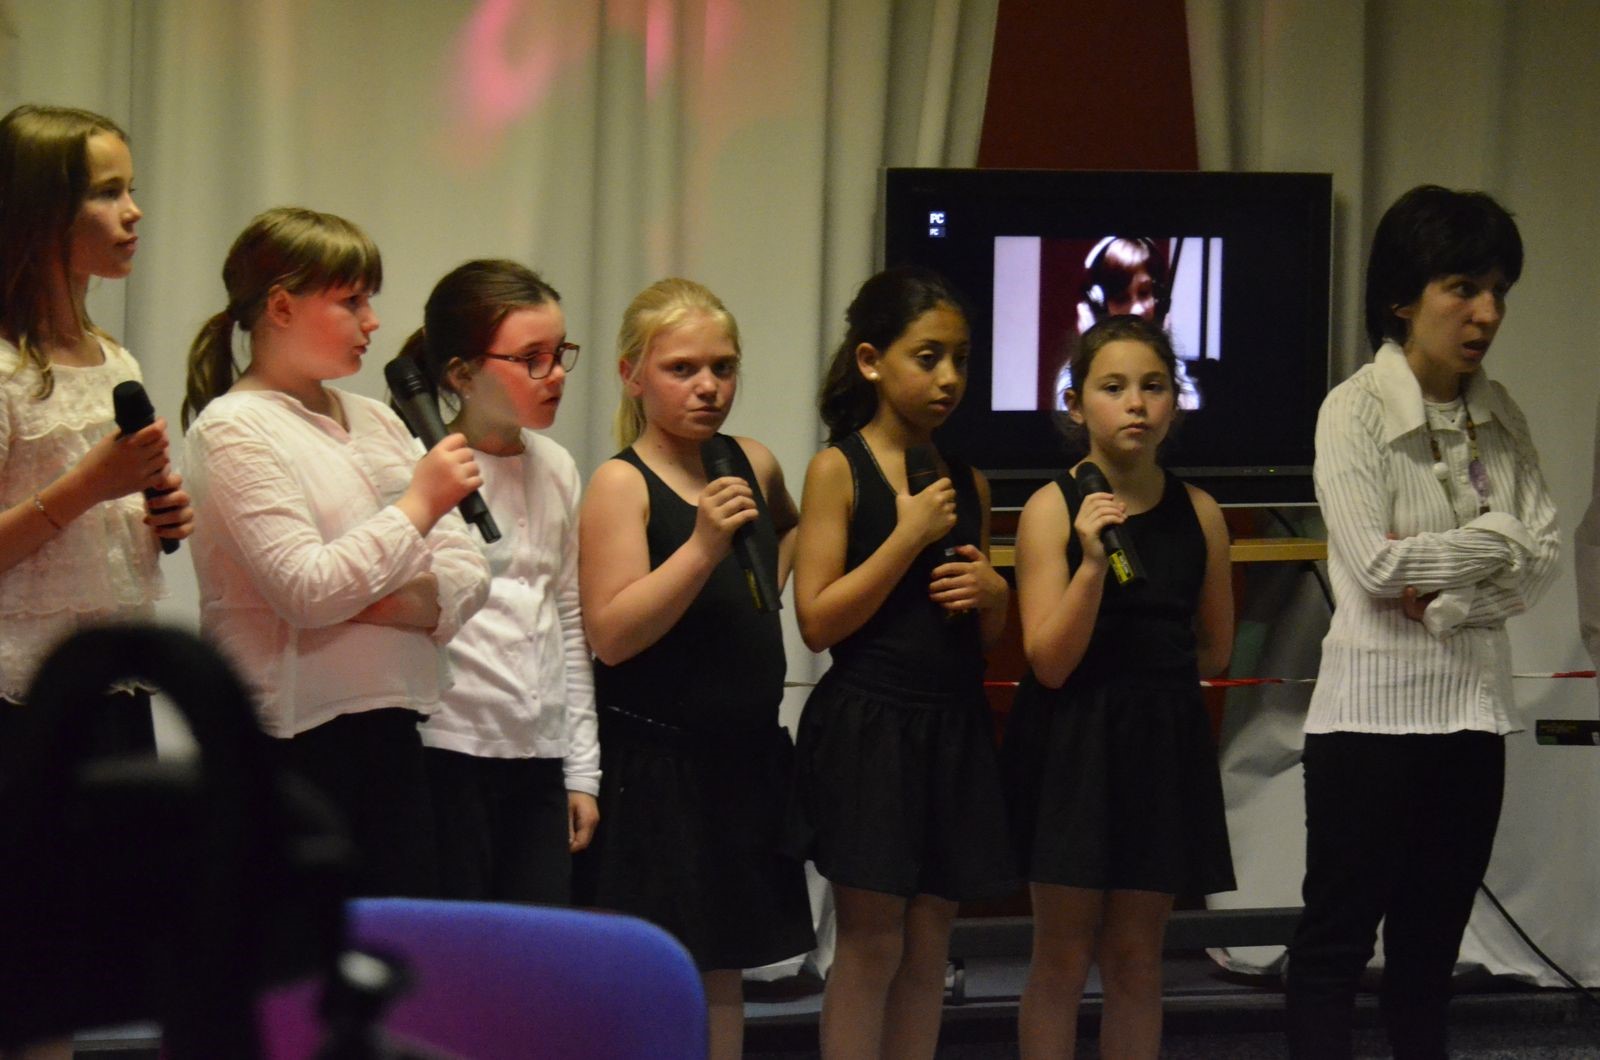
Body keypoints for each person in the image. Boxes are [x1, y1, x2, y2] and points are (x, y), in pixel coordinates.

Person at [1283, 185, 1559, 1059]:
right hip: (1369, 723)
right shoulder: (1354, 408)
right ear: (1404, 297)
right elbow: (1374, 564)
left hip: (1471, 717)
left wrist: (1454, 598)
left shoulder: (1500, 414)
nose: (1487, 314)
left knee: (1429, 957)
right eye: (1463, 289)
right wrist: (1500, 538)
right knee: (1335, 945)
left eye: (1498, 292)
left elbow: (1544, 555)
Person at [182, 207, 490, 899]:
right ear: (281, 307)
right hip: (289, 751)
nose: (372, 322)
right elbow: (307, 590)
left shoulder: (377, 419)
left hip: (392, 734)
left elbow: (468, 571)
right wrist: (419, 504)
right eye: (351, 301)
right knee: (293, 951)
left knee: (396, 945)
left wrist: (375, 602)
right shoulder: (233, 428)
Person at [0, 101, 193, 1060]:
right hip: (17, 702)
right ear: (42, 211)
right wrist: (89, 488)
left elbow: (102, 526)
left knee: (75, 978)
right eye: (109, 192)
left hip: (109, 696)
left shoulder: (115, 357)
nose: (134, 211)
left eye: (132, 188)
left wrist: (153, 517)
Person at [578, 277, 813, 1060]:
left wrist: (758, 590)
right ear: (632, 375)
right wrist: (704, 551)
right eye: (682, 368)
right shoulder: (621, 483)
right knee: (652, 974)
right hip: (656, 766)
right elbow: (612, 634)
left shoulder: (751, 461)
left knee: (724, 972)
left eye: (723, 366)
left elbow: (791, 527)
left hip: (742, 760)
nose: (708, 386)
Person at [789, 266, 1016, 1058]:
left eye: (961, 358)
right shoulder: (837, 469)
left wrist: (996, 597)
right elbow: (817, 620)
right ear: (871, 361)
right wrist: (906, 536)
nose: (948, 377)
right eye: (927, 357)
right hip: (870, 727)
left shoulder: (969, 483)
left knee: (929, 946)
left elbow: (980, 637)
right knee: (873, 942)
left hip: (952, 725)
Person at [1004, 315, 1235, 1059]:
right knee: (1062, 955)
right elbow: (1048, 661)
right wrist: (1093, 567)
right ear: (1076, 405)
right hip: (1073, 741)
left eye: (1153, 386)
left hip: (1160, 740)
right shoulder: (1049, 508)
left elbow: (1217, 645)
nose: (1136, 403)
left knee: (1138, 958)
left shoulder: (1201, 512)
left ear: (1175, 402)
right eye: (1113, 387)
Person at [394, 259, 598, 904]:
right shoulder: (416, 467)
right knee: (455, 943)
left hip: (538, 755)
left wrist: (581, 769)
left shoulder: (557, 466)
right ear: (462, 375)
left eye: (559, 353)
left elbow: (566, 618)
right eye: (532, 359)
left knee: (535, 945)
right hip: (446, 749)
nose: (555, 373)